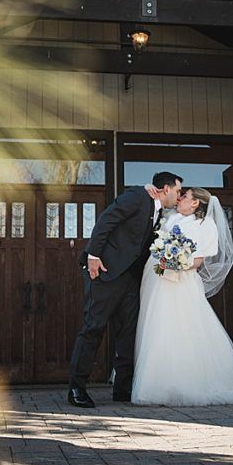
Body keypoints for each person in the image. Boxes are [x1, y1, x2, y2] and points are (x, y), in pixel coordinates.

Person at [132, 186, 233, 406]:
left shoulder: (206, 225)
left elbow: (198, 261)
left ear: (195, 203)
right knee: (158, 326)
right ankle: (159, 383)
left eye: (185, 196)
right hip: (158, 279)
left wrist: (175, 264)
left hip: (182, 282)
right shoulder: (171, 218)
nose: (179, 199)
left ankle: (187, 383)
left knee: (183, 328)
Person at [67, 171, 182, 408]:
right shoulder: (138, 196)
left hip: (131, 279)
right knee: (93, 328)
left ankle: (122, 388)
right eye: (178, 191)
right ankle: (76, 388)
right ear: (165, 188)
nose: (179, 196)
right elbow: (106, 220)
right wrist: (93, 255)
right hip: (105, 271)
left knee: (128, 333)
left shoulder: (160, 211)